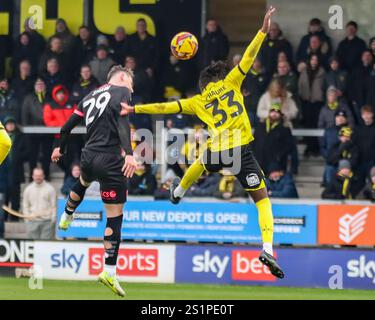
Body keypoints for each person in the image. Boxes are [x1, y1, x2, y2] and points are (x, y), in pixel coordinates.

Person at [122, 7, 284, 279]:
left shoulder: (197, 102)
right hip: (241, 151)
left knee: (201, 161)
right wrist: (262, 30)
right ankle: (267, 248)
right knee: (262, 200)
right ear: (219, 78)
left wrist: (135, 110)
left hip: (219, 151)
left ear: (202, 86)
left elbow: (164, 107)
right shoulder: (232, 82)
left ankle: (179, 192)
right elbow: (249, 56)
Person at [50, 65, 138, 296]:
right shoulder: (122, 92)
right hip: (110, 160)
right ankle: (109, 270)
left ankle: (67, 215)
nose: (132, 88)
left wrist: (60, 147)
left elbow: (66, 126)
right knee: (114, 215)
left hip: (88, 156)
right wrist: (129, 153)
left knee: (84, 181)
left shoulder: (89, 96)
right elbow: (122, 125)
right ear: (121, 78)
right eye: (131, 82)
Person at [21, 78, 53, 180]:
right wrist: (27, 130)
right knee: (32, 156)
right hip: (32, 132)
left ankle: (46, 175)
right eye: (38, 83)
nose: (40, 85)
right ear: (34, 86)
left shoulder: (49, 98)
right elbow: (24, 115)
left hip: (47, 132)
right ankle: (32, 176)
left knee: (47, 155)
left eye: (42, 83)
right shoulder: (28, 98)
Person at [253, 104, 294, 175]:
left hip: (275, 165)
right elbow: (253, 142)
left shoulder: (285, 129)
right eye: (272, 111)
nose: (274, 114)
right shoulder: (259, 127)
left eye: (277, 112)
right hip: (259, 162)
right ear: (269, 113)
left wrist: (278, 157)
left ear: (280, 115)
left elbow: (289, 146)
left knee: (273, 185)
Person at [298, 53, 326, 156]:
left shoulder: (322, 72)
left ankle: (316, 148)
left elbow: (324, 87)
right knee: (307, 125)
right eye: (312, 59)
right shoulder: (304, 72)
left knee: (316, 125)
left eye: (316, 59)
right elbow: (300, 86)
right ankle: (309, 147)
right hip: (306, 102)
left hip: (318, 103)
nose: (314, 61)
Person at [2, 117, 28, 217]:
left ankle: (14, 217)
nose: (10, 125)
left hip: (16, 170)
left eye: (12, 123)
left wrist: (18, 157)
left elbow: (27, 152)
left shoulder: (21, 137)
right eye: (8, 124)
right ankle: (3, 217)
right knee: (4, 195)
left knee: (15, 195)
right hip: (3, 171)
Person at [23, 168, 57, 239]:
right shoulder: (28, 189)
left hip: (47, 222)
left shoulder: (50, 189)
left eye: (40, 175)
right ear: (33, 176)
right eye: (36, 175)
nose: (38, 177)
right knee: (33, 247)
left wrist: (53, 220)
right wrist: (27, 219)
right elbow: (25, 206)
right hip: (32, 222)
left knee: (46, 247)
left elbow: (54, 206)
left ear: (43, 176)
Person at [320, 109, 350, 185]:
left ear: (346, 119)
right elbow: (323, 146)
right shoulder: (328, 130)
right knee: (329, 177)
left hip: (344, 162)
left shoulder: (349, 131)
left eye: (342, 117)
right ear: (335, 117)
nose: (340, 118)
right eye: (338, 116)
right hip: (331, 161)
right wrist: (327, 156)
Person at [353, 105, 375, 190]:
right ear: (362, 116)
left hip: (372, 162)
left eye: (368, 114)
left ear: (372, 114)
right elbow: (354, 144)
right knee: (358, 184)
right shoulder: (358, 129)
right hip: (360, 162)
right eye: (364, 114)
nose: (366, 116)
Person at [348, 50, 373, 121]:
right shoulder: (356, 69)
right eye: (365, 55)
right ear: (362, 57)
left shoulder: (373, 69)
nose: (367, 57)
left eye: (369, 55)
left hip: (372, 101)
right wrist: (352, 99)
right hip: (358, 100)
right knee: (360, 120)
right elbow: (350, 85)